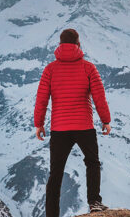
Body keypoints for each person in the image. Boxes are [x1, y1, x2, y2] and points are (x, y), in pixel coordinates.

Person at [34, 28, 111, 216]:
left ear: (60, 45)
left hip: (60, 129)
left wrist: (39, 123)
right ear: (78, 44)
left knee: (56, 173)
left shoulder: (50, 69)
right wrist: (106, 120)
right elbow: (99, 96)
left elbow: (42, 98)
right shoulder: (88, 67)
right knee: (92, 163)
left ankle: (52, 214)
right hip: (84, 126)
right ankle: (94, 202)